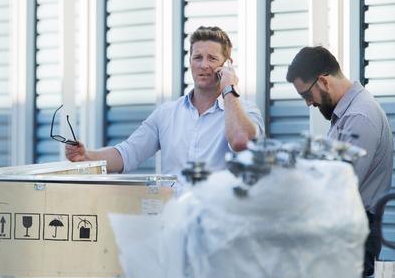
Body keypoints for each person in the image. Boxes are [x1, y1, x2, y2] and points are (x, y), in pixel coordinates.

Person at [65, 26, 265, 174]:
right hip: (175, 222)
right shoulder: (167, 113)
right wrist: (88, 156)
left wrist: (229, 88)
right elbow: (127, 153)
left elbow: (241, 141)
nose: (204, 65)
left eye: (212, 58)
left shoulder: (246, 112)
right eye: (197, 57)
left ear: (227, 64)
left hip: (221, 224)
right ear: (190, 62)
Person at [286, 46, 393, 277]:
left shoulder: (358, 117)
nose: (308, 103)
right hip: (341, 229)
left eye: (307, 95)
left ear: (324, 81)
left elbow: (337, 187)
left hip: (349, 234)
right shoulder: (347, 113)